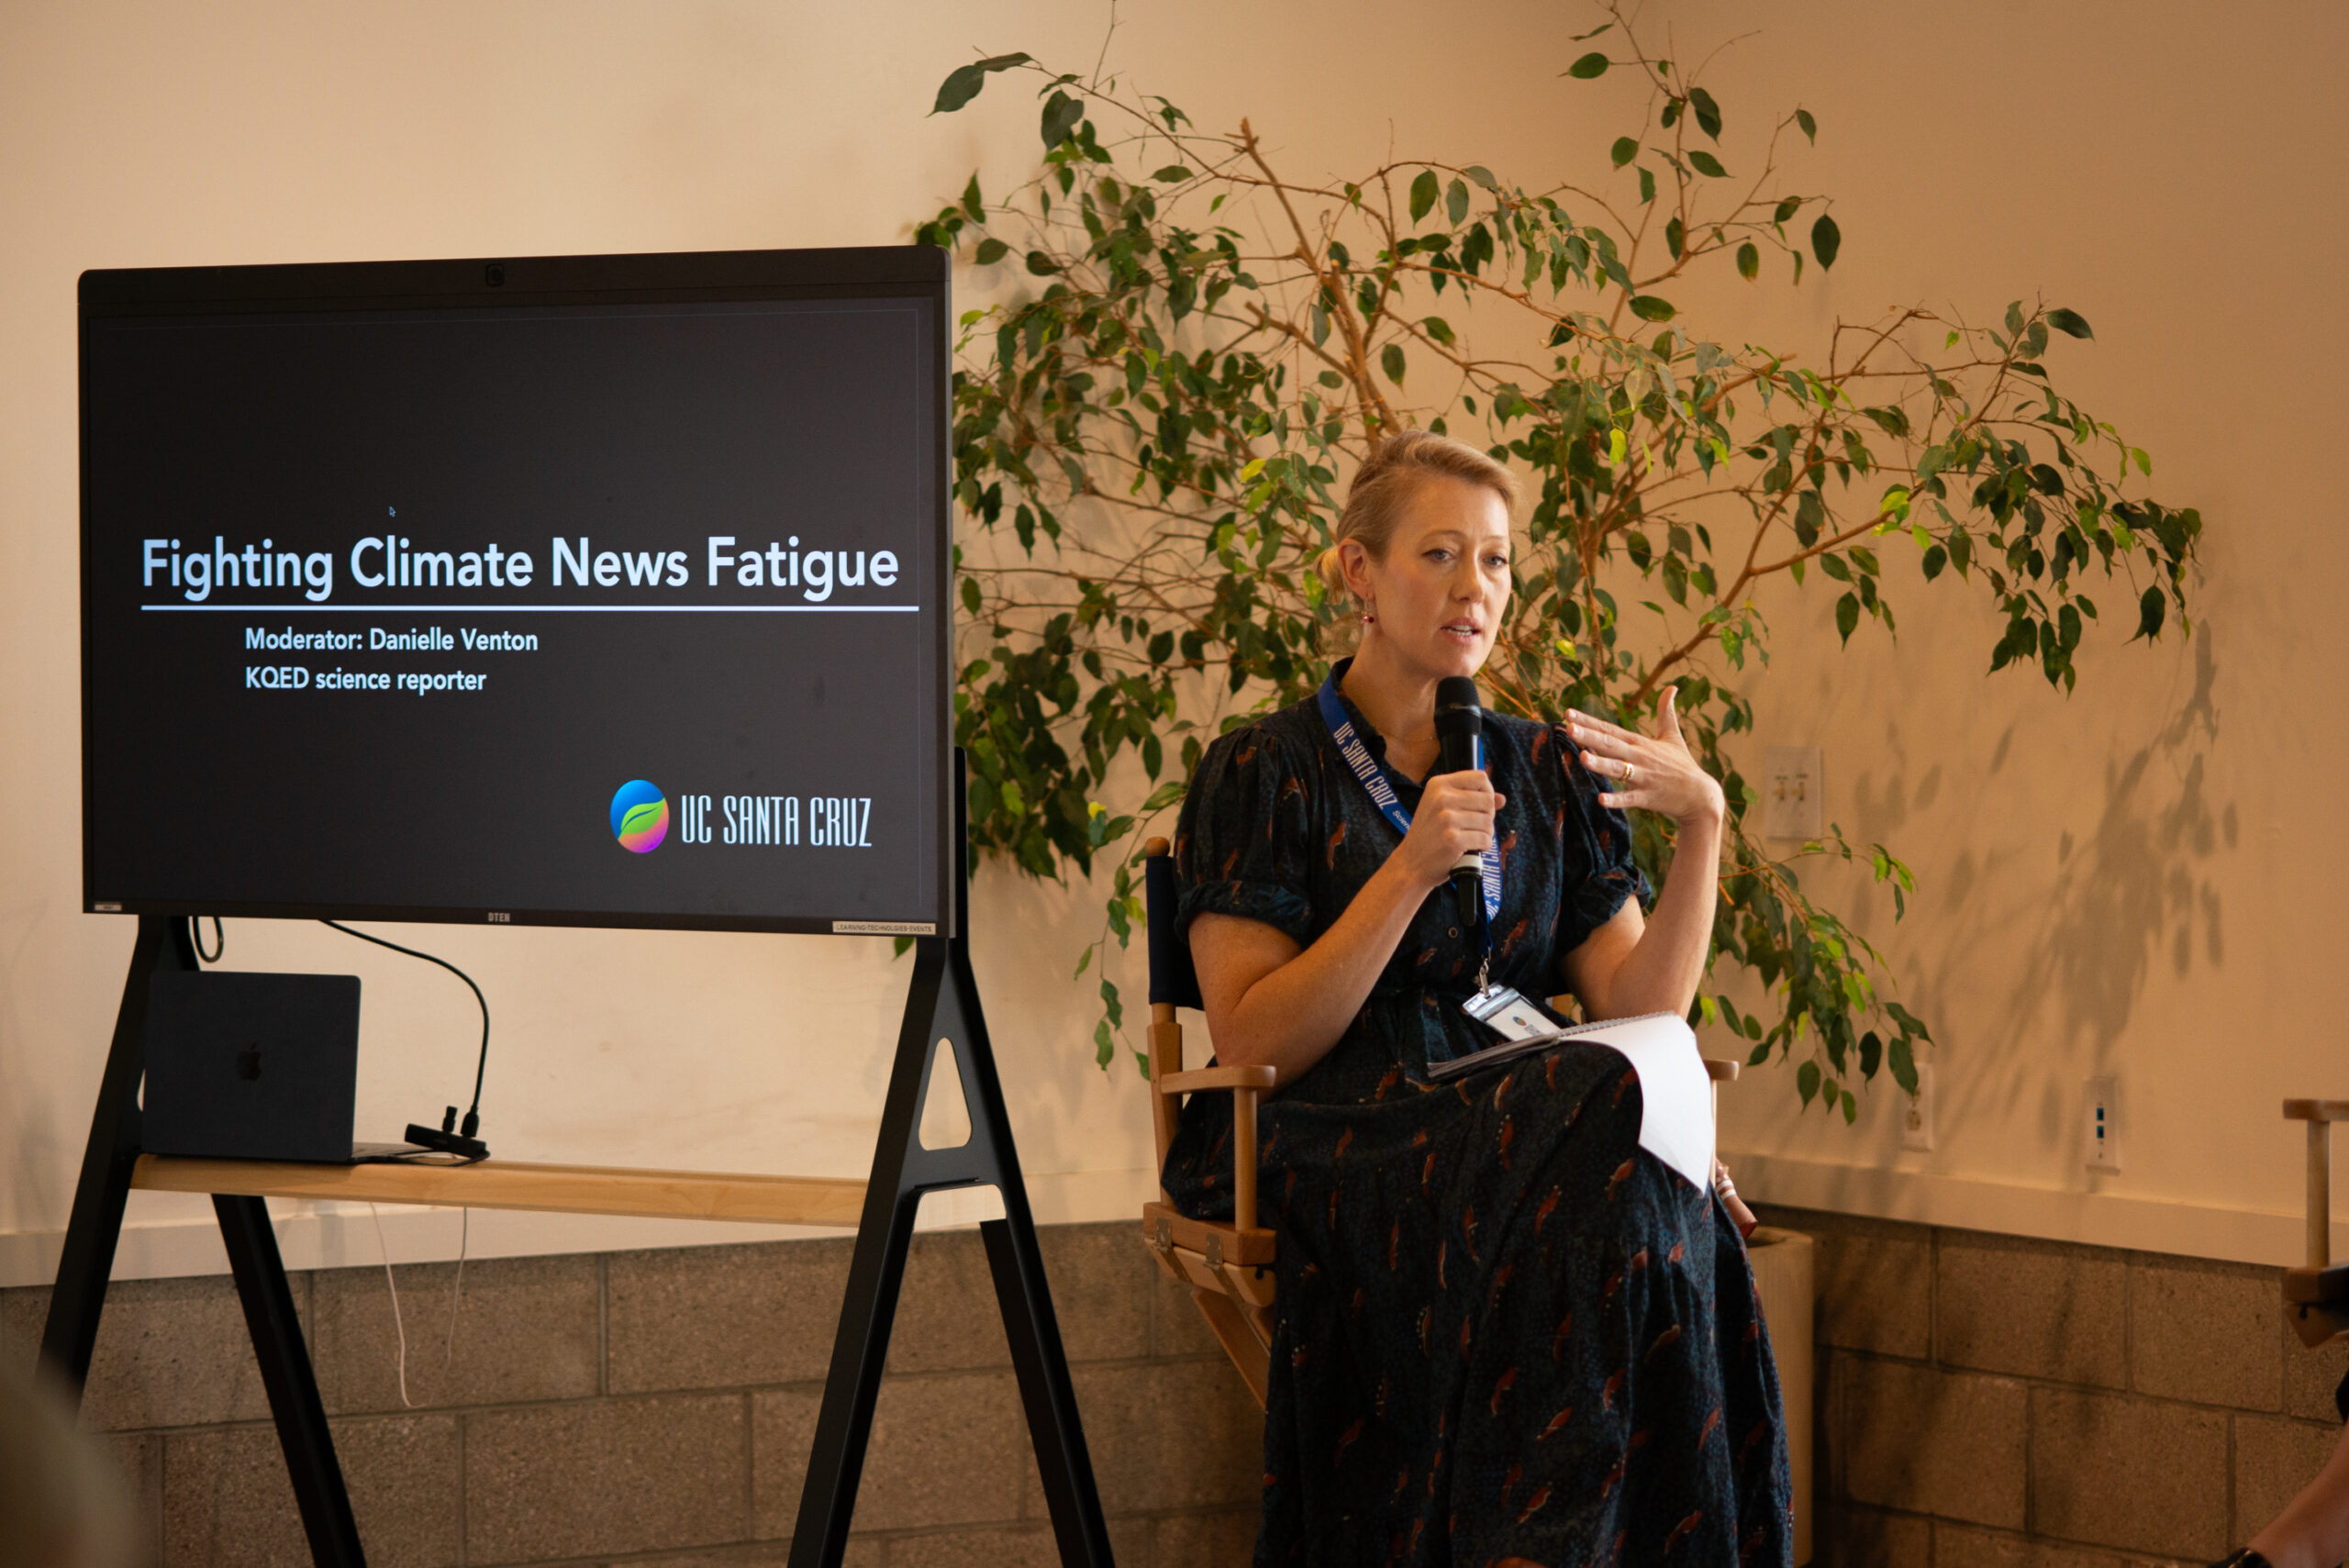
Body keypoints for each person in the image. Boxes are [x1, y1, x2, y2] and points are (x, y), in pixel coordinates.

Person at [1163, 429, 1791, 1566]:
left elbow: (1638, 1011)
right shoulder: (1267, 767)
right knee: (1635, 1152)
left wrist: (1702, 827)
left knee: (1642, 1177)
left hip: (1524, 1107)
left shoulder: (1541, 767)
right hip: (1327, 1110)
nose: (1474, 588)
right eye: (1440, 553)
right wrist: (1406, 872)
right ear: (1358, 572)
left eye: (1496, 561)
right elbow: (1253, 1036)